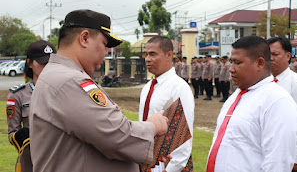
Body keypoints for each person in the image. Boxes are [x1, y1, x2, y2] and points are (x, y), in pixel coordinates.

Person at [29, 9, 169, 172]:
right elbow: (117, 135)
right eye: (104, 44)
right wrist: (153, 126)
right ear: (85, 38)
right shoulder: (70, 80)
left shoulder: (58, 75)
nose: (106, 52)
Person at [206, 36, 297, 172]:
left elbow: (277, 162)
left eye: (237, 63)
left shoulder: (278, 101)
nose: (231, 69)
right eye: (231, 62)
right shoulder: (237, 96)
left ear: (260, 63)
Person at [139, 36, 194, 172]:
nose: (147, 59)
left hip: (166, 164)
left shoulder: (179, 87)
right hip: (146, 159)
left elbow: (184, 136)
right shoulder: (148, 87)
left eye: (153, 54)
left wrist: (171, 169)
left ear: (169, 55)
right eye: (146, 54)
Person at [6, 40, 56, 172]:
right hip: (30, 162)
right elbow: (12, 134)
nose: (47, 66)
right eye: (42, 62)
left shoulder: (62, 90)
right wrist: (25, 136)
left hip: (59, 160)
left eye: (51, 63)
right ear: (29, 63)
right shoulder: (17, 95)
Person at [268, 37, 297, 172]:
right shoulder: (264, 81)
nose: (271, 58)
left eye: (275, 54)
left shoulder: (296, 83)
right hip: (266, 149)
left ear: (288, 55)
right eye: (268, 54)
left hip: (287, 152)